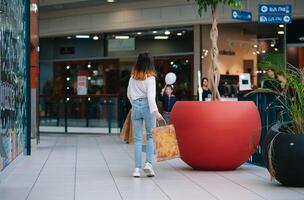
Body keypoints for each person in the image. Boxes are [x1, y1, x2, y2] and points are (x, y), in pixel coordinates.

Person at [127, 53, 163, 178]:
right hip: (148, 107)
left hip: (135, 107)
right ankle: (148, 164)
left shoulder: (132, 77)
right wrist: (156, 112)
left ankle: (136, 169)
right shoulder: (150, 78)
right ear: (150, 63)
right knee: (150, 137)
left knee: (137, 139)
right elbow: (151, 97)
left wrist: (135, 105)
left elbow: (129, 95)